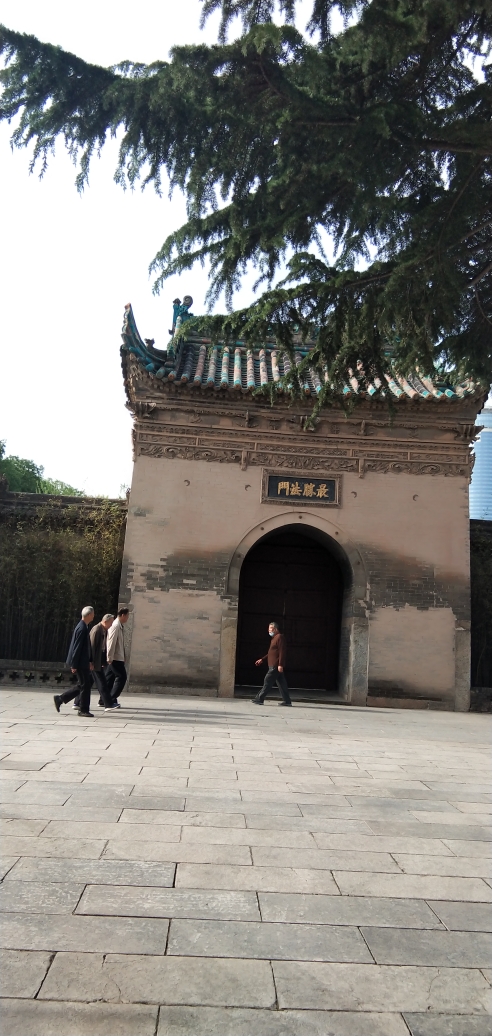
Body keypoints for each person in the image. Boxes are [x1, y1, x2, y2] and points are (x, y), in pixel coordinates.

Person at [54, 606, 95, 717]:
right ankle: (83, 709)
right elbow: (77, 648)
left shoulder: (83, 626)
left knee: (84, 684)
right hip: (80, 663)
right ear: (89, 615)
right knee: (85, 685)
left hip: (82, 662)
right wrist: (74, 664)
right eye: (93, 614)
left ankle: (60, 699)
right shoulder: (82, 628)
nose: (93, 616)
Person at [72, 613, 117, 712]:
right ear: (105, 621)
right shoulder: (97, 630)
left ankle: (72, 701)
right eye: (111, 623)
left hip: (97, 661)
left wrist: (103, 661)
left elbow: (102, 648)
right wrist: (90, 661)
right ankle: (107, 703)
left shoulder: (104, 630)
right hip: (94, 662)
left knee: (85, 684)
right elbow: (91, 647)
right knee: (102, 683)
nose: (111, 625)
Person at [252, 622, 292, 706]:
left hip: (275, 665)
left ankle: (259, 699)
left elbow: (282, 652)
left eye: (270, 628)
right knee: (282, 684)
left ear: (275, 629)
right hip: (273, 665)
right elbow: (271, 653)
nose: (268, 630)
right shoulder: (274, 638)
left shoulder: (280, 637)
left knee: (267, 681)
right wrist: (262, 659)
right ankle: (287, 701)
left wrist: (280, 664)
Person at [105, 608, 130, 706]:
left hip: (117, 657)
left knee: (109, 678)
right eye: (127, 616)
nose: (127, 618)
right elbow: (111, 642)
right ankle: (110, 699)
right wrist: (109, 657)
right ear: (123, 615)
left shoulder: (119, 625)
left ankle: (104, 699)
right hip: (115, 658)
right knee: (122, 677)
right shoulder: (115, 626)